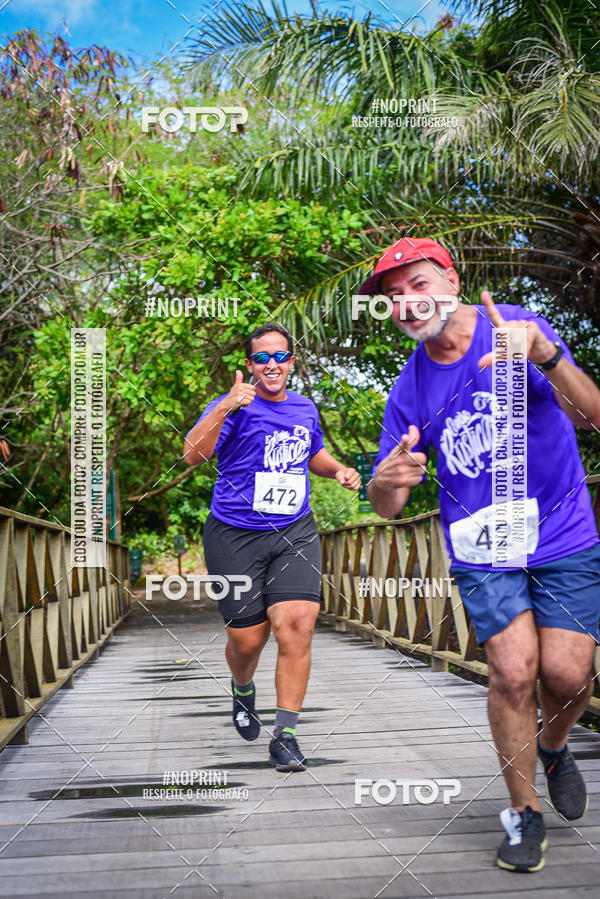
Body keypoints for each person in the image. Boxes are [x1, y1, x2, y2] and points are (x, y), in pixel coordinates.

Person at [361, 237, 600, 872]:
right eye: (392, 298)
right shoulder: (408, 393)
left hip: (561, 533)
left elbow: (594, 416)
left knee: (570, 677)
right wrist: (385, 485)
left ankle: (553, 745)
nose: (407, 304)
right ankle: (524, 814)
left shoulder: (518, 329)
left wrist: (546, 356)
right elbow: (386, 505)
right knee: (514, 672)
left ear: (452, 279)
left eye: (418, 285)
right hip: (484, 547)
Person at [183, 323, 360, 771]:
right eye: (263, 357)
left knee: (297, 624)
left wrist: (337, 469)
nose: (272, 364)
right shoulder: (232, 407)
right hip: (234, 534)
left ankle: (286, 735)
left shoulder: (304, 408)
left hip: (293, 530)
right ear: (250, 365)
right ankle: (243, 688)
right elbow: (193, 455)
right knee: (247, 639)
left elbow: (311, 453)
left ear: (292, 363)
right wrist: (225, 406)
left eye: (280, 356)